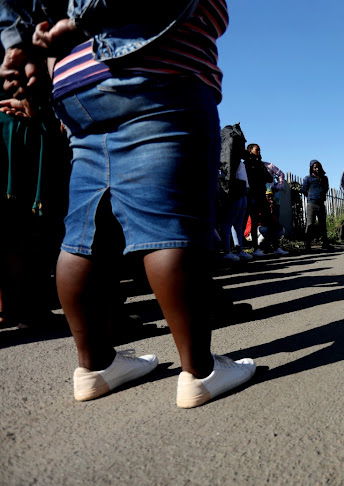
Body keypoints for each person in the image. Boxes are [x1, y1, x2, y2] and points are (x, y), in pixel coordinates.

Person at [1, 0, 256, 408]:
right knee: (170, 228)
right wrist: (82, 18)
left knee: (85, 230)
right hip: (153, 59)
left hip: (72, 80)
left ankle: (95, 366)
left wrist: (19, 45)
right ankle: (199, 371)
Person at [217, 123, 252, 262]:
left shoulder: (238, 160)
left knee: (238, 223)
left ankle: (239, 249)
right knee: (229, 221)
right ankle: (226, 250)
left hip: (242, 190)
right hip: (235, 189)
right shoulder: (227, 157)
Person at [244, 143, 273, 257]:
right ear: (250, 150)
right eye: (257, 150)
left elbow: (269, 178)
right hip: (252, 196)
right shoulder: (247, 164)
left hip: (261, 195)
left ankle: (272, 246)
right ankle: (255, 248)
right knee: (253, 221)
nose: (259, 152)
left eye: (260, 150)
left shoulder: (260, 164)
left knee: (269, 220)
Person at [301, 159, 332, 251]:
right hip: (312, 204)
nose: (317, 169)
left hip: (321, 204)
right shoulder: (308, 178)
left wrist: (321, 195)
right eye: (315, 167)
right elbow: (303, 190)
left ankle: (325, 243)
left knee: (323, 225)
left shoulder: (324, 178)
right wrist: (310, 196)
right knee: (310, 224)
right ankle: (308, 245)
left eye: (318, 167)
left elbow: (326, 188)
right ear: (311, 168)